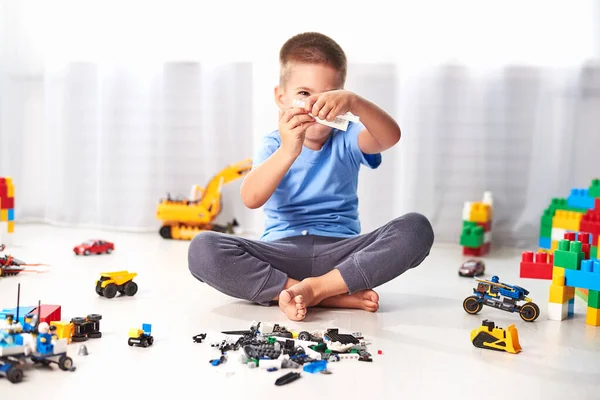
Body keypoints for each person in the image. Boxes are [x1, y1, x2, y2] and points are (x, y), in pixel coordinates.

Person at [188, 32, 434, 321]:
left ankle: (320, 289)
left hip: (341, 256)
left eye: (328, 96)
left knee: (417, 229)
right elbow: (251, 198)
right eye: (304, 94)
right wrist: (289, 150)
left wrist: (356, 104)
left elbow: (390, 137)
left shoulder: (348, 137)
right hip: (282, 252)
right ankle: (317, 293)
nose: (316, 107)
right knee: (202, 249)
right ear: (281, 98)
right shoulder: (273, 144)